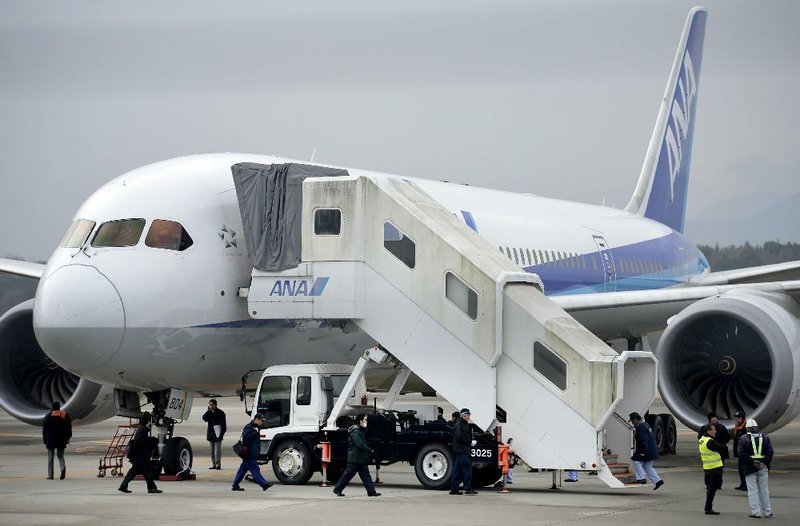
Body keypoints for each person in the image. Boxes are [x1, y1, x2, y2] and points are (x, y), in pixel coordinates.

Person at [332, 413, 381, 497]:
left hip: (361, 459)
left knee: (366, 476)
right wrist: (370, 450)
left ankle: (371, 491)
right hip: (355, 459)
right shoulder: (355, 432)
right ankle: (337, 489)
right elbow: (360, 444)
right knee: (347, 476)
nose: (366, 421)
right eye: (365, 420)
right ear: (361, 421)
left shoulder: (360, 430)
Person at [118, 412, 162, 494]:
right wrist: (150, 441)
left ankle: (123, 486)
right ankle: (152, 488)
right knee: (147, 472)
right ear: (148, 421)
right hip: (142, 457)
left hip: (140, 456)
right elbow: (138, 443)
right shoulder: (143, 430)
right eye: (150, 419)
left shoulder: (141, 429)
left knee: (133, 472)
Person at [739, 419, 773, 519]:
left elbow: (741, 454)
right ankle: (767, 511)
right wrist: (763, 462)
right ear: (757, 428)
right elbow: (770, 452)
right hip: (763, 467)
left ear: (747, 428)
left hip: (750, 468)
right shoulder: (765, 437)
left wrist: (753, 462)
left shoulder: (743, 438)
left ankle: (756, 512)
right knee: (764, 490)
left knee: (752, 490)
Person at [231, 413, 272, 492]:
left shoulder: (256, 427)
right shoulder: (249, 427)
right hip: (249, 453)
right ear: (256, 419)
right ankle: (264, 484)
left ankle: (235, 485)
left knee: (242, 470)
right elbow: (245, 437)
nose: (262, 422)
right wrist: (254, 432)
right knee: (255, 469)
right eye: (261, 420)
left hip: (250, 453)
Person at [629, 412, 663, 490]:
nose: (632, 422)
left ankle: (641, 479)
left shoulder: (640, 427)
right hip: (652, 450)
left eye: (632, 420)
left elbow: (644, 441)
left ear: (636, 419)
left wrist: (642, 452)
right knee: (647, 465)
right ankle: (658, 481)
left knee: (636, 461)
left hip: (647, 450)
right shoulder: (646, 424)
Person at [699, 423, 726, 515]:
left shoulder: (702, 440)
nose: (715, 431)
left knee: (710, 488)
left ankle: (708, 507)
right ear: (708, 431)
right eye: (713, 430)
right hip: (714, 468)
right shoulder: (710, 442)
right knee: (712, 489)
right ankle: (708, 508)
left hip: (707, 468)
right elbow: (722, 448)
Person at [42, 401, 72, 480]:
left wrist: (45, 440)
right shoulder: (64, 415)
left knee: (50, 458)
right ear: (59, 407)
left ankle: (51, 475)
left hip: (51, 440)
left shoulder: (48, 416)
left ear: (52, 407)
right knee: (60, 456)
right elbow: (69, 428)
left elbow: (44, 429)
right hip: (61, 440)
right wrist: (68, 438)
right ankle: (62, 469)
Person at [450, 408, 476, 495]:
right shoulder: (460, 424)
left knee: (457, 471)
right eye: (468, 415)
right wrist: (470, 442)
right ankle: (468, 489)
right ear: (463, 416)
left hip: (461, 450)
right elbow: (459, 437)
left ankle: (454, 489)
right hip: (462, 450)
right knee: (467, 469)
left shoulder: (463, 424)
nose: (469, 417)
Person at [202, 399, 227, 469]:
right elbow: (204, 418)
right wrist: (208, 411)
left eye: (212, 404)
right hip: (210, 434)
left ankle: (218, 464)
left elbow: (223, 425)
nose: (211, 406)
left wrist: (221, 434)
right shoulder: (209, 413)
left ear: (216, 405)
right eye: (210, 405)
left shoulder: (220, 413)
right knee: (212, 451)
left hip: (218, 434)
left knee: (217, 451)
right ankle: (214, 464)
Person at [731, 410, 748, 491]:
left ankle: (746, 485)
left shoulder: (746, 427)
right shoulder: (738, 426)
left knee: (744, 469)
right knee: (740, 469)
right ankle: (742, 484)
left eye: (738, 418)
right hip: (740, 452)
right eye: (736, 418)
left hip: (744, 453)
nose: (736, 419)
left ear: (742, 418)